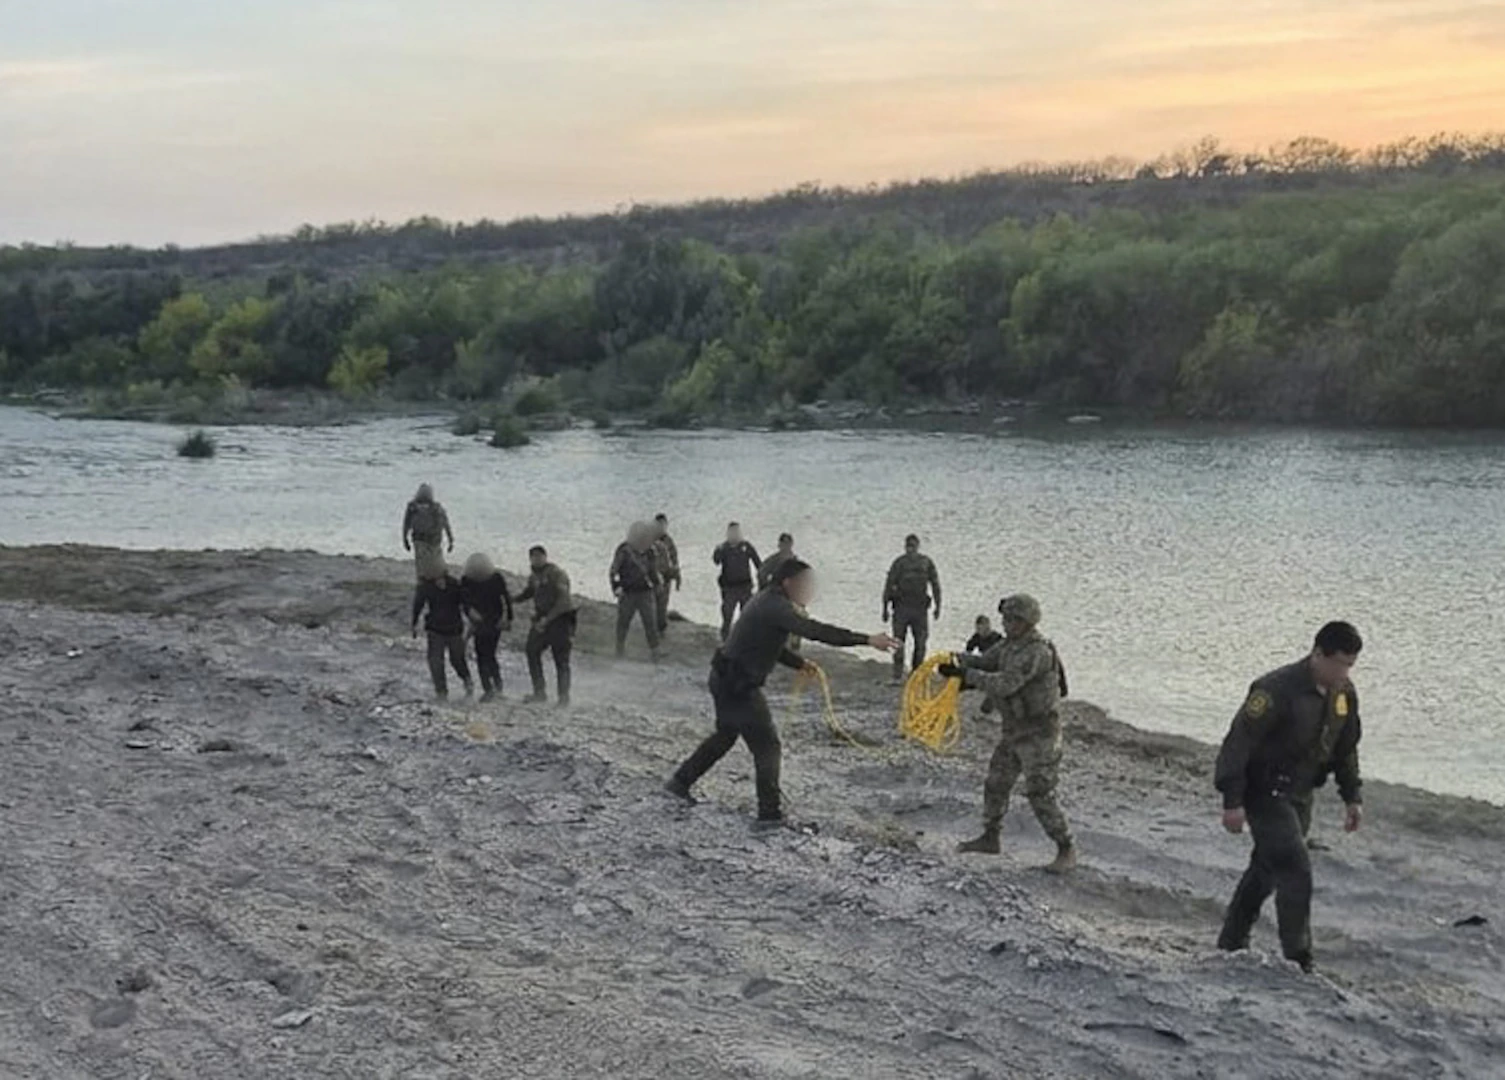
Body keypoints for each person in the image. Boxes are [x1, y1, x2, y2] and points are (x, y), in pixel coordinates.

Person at [666, 559, 896, 828]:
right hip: (738, 685)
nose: (810, 590)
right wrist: (867, 640)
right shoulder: (776, 606)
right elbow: (816, 631)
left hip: (724, 678)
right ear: (788, 583)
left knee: (726, 735)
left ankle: (679, 782)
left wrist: (799, 663)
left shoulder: (767, 599)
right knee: (768, 746)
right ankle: (769, 815)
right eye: (806, 584)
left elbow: (765, 642)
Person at [1214, 621, 1365, 973]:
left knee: (1266, 870)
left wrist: (1352, 796)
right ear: (1318, 654)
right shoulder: (1276, 690)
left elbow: (1346, 748)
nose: (1344, 672)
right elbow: (1238, 743)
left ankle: (1231, 941)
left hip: (1300, 794)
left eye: (1350, 665)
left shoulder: (1343, 694)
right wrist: (1232, 802)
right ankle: (1299, 959)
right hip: (1264, 791)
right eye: (1339, 664)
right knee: (1296, 869)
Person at [941, 594, 1076, 873]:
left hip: (1040, 734)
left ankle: (1066, 848)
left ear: (1026, 622)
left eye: (1012, 619)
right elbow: (987, 662)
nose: (1006, 624)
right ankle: (991, 837)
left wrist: (966, 676)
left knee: (1040, 793)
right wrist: (952, 660)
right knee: (996, 783)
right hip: (1015, 730)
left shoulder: (1036, 651)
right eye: (1005, 619)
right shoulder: (1010, 646)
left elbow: (1005, 684)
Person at [515, 546, 577, 706]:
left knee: (561, 659)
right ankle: (539, 692)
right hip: (542, 619)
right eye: (533, 557)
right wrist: (512, 599)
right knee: (531, 651)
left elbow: (564, 601)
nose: (536, 559)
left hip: (560, 620)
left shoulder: (557, 574)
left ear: (545, 557)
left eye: (539, 556)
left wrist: (547, 619)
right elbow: (529, 592)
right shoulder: (534, 576)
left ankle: (564, 698)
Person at [883, 534, 942, 682]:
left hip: (920, 609)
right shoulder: (899, 563)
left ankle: (916, 675)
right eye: (908, 546)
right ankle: (897, 675)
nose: (911, 549)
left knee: (921, 643)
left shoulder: (926, 562)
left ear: (917, 546)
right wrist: (884, 608)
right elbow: (889, 585)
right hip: (901, 607)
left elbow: (935, 585)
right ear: (905, 546)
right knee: (898, 642)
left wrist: (938, 606)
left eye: (913, 546)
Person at [411, 568, 473, 700]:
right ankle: (441, 692)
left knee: (457, 659)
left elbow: (466, 604)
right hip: (435, 629)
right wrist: (414, 623)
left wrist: (472, 619)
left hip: (454, 628)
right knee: (435, 661)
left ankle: (467, 680)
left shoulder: (454, 584)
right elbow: (418, 605)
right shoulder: (426, 587)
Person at [459, 553, 513, 702]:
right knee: (482, 655)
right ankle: (488, 689)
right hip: (479, 622)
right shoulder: (466, 580)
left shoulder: (496, 578)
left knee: (489, 654)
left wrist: (508, 619)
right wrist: (471, 613)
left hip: (495, 620)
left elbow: (506, 599)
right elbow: (464, 601)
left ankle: (497, 687)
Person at [610, 522, 662, 660]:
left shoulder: (651, 551)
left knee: (650, 622)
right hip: (628, 592)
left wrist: (657, 584)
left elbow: (653, 571)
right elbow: (614, 571)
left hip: (645, 592)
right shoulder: (624, 550)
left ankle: (655, 650)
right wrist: (616, 587)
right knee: (623, 622)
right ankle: (619, 648)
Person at [712, 522, 763, 640]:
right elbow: (716, 561)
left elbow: (758, 564)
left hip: (745, 587)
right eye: (732, 532)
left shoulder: (746, 546)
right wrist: (717, 550)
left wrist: (763, 581)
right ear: (728, 533)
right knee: (727, 615)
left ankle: (746, 639)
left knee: (747, 616)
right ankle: (725, 639)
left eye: (737, 532)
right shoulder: (723, 548)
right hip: (729, 588)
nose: (735, 535)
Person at [401, 483, 454, 582]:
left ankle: (422, 583)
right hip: (434, 540)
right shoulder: (437, 508)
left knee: (421, 565)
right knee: (437, 563)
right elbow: (446, 524)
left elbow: (406, 524)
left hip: (418, 540)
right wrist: (451, 541)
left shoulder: (412, 508)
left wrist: (405, 540)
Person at [652, 513, 681, 636]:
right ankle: (652, 630)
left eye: (663, 525)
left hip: (666, 578)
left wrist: (678, 578)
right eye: (658, 525)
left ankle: (661, 628)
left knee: (662, 606)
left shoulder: (670, 542)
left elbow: (675, 561)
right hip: (652, 577)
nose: (660, 528)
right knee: (651, 605)